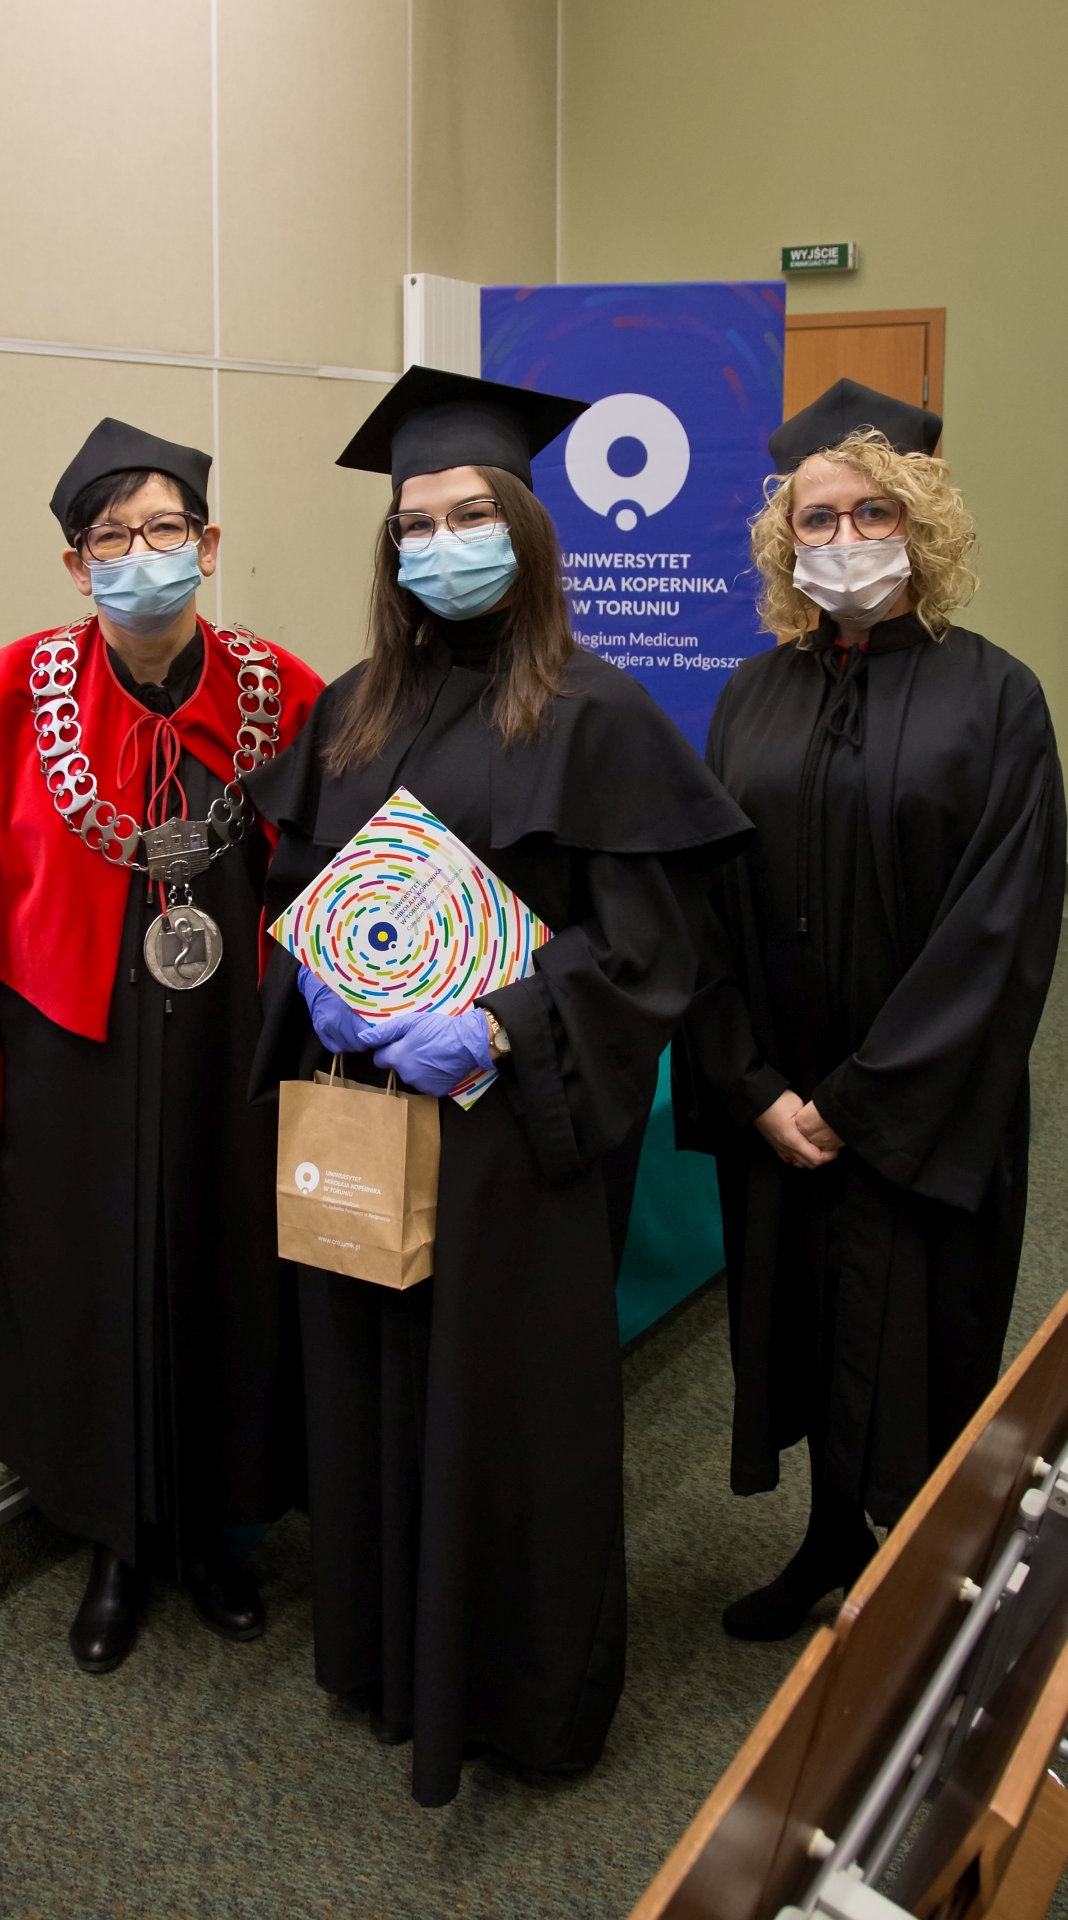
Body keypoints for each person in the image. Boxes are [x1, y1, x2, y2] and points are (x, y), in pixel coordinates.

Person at [245, 366, 751, 1806]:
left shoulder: (598, 715)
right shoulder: (351, 709)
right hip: (364, 1116)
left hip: (506, 1139)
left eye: (469, 515)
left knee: (505, 1406)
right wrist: (315, 978)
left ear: (525, 532)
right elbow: (296, 879)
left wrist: (502, 1021)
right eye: (415, 524)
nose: (440, 543)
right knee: (365, 1381)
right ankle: (385, 1657)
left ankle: (521, 1698)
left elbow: (652, 947)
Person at [0, 417, 324, 1672]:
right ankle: (113, 1542)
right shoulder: (17, 694)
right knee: (84, 1290)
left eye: (165, 529)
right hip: (68, 1069)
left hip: (234, 1063)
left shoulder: (281, 693)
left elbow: (346, 877)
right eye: (111, 538)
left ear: (209, 543)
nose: (142, 556)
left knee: (236, 1280)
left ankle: (219, 1535)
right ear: (75, 565)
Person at [674, 379, 1066, 1641]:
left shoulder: (996, 699)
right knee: (802, 1324)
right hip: (781, 1095)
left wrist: (854, 1102)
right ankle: (827, 1540)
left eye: (871, 513)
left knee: (917, 1338)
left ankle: (927, 1576)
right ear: (784, 538)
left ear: (920, 523)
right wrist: (752, 1089)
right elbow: (704, 908)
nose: (842, 539)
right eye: (817, 518)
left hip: (921, 1099)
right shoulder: (750, 694)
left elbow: (997, 926)